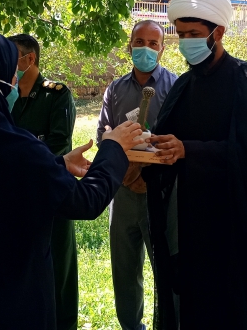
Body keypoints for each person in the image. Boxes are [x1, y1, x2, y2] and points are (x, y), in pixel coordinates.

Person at [0, 29, 142, 330]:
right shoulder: (16, 148)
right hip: (5, 302)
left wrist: (57, 163)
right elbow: (85, 202)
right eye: (11, 74)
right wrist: (113, 147)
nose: (14, 83)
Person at [141, 0, 247, 330]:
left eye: (194, 34)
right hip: (193, 219)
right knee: (199, 304)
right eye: (181, 34)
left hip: (239, 218)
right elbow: (165, 143)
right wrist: (145, 147)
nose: (186, 42)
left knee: (238, 306)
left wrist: (188, 149)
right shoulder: (184, 86)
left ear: (219, 32)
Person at [97, 20, 177, 330]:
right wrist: (126, 173)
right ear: (129, 46)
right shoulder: (115, 89)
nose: (145, 48)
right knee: (125, 270)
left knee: (167, 269)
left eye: (152, 43)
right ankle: (131, 326)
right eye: (139, 42)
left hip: (161, 192)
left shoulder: (176, 86)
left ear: (162, 49)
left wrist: (148, 173)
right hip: (123, 192)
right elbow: (104, 135)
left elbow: (181, 139)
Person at [6, 33, 79, 330]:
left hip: (50, 192)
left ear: (30, 59)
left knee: (58, 267)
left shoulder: (56, 94)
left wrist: (21, 165)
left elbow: (59, 144)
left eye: (11, 58)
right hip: (14, 196)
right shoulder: (4, 96)